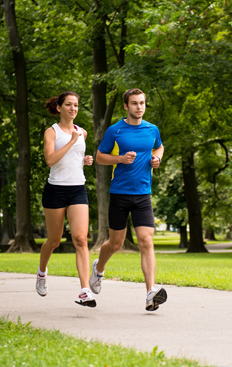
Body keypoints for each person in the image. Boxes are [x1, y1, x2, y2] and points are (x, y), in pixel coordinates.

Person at [90, 88, 166, 311]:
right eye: (134, 103)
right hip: (120, 194)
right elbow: (100, 157)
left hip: (143, 194)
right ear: (126, 106)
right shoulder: (115, 130)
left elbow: (159, 146)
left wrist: (157, 158)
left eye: (142, 103)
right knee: (116, 243)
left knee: (146, 241)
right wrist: (120, 159)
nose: (139, 107)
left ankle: (150, 293)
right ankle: (99, 268)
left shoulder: (152, 129)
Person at [36, 91, 96, 307]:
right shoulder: (51, 132)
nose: (73, 108)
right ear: (59, 108)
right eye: (69, 105)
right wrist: (71, 142)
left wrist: (85, 160)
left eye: (76, 105)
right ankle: (42, 272)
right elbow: (50, 160)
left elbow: (75, 159)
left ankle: (85, 290)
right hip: (55, 190)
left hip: (77, 189)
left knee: (81, 239)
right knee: (54, 240)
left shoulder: (83, 132)